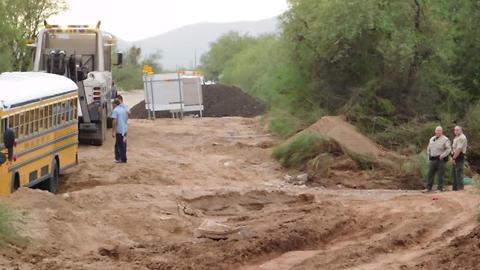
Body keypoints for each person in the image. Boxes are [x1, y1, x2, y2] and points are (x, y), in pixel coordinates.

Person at [425, 126, 451, 192]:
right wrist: (428, 155)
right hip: (432, 159)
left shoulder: (445, 139)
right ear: (435, 131)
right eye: (437, 130)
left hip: (440, 159)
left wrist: (443, 155)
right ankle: (428, 188)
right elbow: (429, 147)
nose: (438, 132)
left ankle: (440, 188)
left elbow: (448, 149)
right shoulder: (432, 138)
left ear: (442, 131)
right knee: (430, 174)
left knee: (440, 174)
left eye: (440, 130)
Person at [111, 99, 128, 163]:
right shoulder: (123, 109)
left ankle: (120, 158)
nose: (112, 105)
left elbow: (114, 121)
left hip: (120, 131)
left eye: (112, 104)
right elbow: (126, 118)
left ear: (115, 104)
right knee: (123, 144)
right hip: (125, 130)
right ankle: (122, 157)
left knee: (119, 145)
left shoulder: (115, 110)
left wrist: (113, 131)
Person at [451, 126, 468, 191]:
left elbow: (459, 149)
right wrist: (452, 157)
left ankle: (460, 188)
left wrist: (454, 158)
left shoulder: (462, 138)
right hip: (454, 156)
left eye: (457, 130)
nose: (456, 131)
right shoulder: (456, 137)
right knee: (454, 173)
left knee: (458, 172)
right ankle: (455, 189)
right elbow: (454, 148)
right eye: (455, 130)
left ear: (461, 130)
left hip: (459, 156)